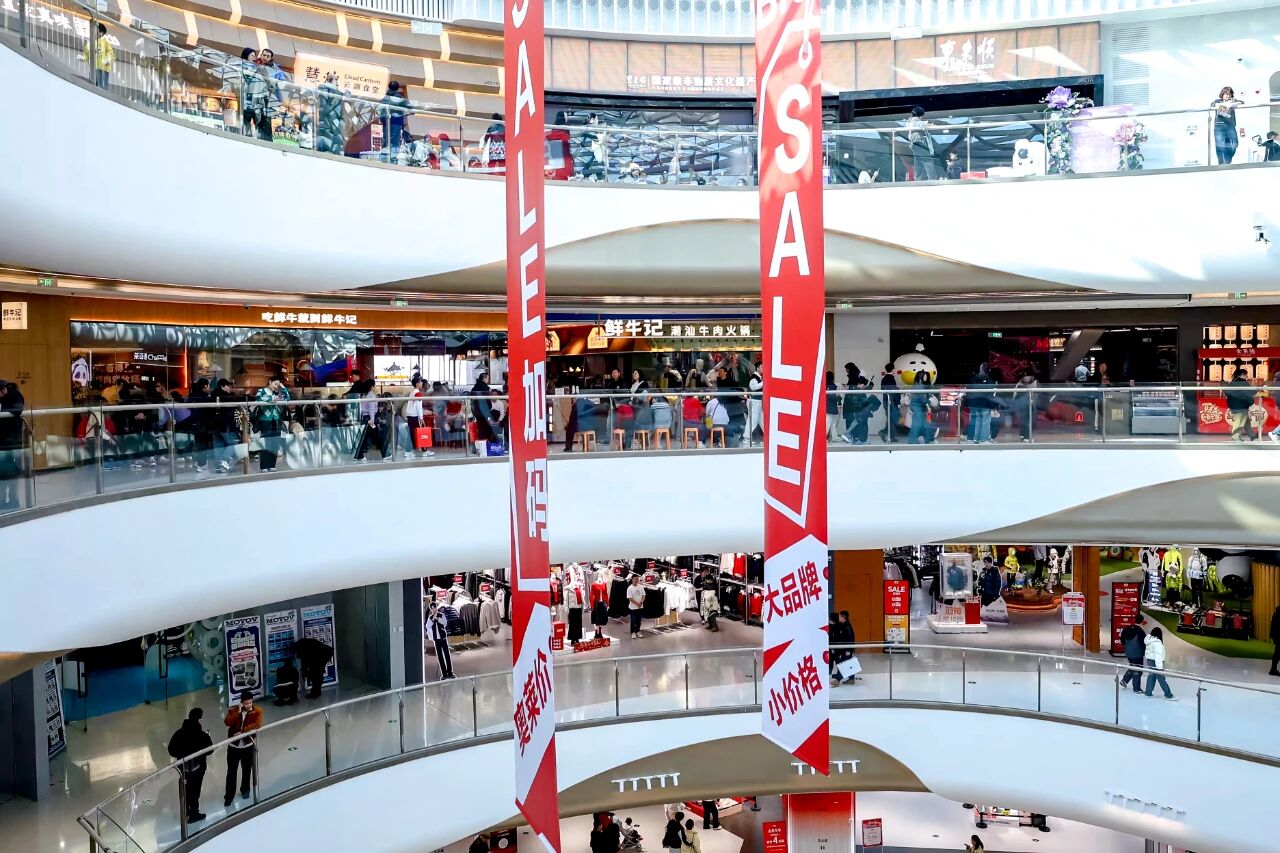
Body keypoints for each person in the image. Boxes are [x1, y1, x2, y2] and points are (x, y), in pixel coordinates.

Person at [167, 708, 213, 823]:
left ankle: (186, 811)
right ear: (199, 720)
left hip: (183, 768)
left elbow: (171, 750)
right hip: (198, 768)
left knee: (186, 789)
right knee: (195, 791)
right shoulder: (202, 735)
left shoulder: (179, 733)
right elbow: (210, 750)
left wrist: (182, 753)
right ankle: (194, 813)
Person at [223, 690, 263, 806]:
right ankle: (229, 796)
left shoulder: (257, 711)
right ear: (241, 703)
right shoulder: (233, 710)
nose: (248, 705)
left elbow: (257, 724)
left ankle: (245, 790)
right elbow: (227, 722)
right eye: (246, 703)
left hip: (247, 746)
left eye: (250, 702)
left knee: (247, 770)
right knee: (231, 772)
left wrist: (243, 731)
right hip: (233, 747)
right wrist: (238, 712)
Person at [0, 381, 27, 513]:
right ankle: (6, 500)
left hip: (10, 442)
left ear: (3, 390)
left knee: (9, 471)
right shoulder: (7, 397)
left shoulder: (15, 396)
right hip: (6, 441)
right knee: (5, 471)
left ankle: (12, 500)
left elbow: (17, 409)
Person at [253, 376, 289, 472]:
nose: (276, 386)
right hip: (265, 420)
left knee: (275, 443)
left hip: (276, 420)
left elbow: (287, 398)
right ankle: (264, 466)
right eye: (275, 384)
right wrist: (272, 398)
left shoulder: (276, 392)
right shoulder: (262, 391)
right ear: (270, 382)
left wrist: (283, 387)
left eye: (278, 385)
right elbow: (258, 399)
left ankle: (272, 465)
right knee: (265, 443)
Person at [239, 48, 274, 142]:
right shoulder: (249, 66)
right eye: (264, 55)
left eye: (268, 56)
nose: (265, 57)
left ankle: (265, 142)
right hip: (248, 99)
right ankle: (245, 139)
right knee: (246, 121)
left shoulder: (271, 69)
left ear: (271, 58)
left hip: (262, 100)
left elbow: (272, 84)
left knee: (262, 122)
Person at [841, 376, 879, 445]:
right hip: (858, 411)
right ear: (860, 384)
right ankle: (858, 438)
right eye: (864, 385)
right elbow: (857, 401)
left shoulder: (857, 390)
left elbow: (867, 391)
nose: (864, 387)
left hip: (859, 411)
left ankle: (857, 437)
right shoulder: (857, 391)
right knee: (859, 424)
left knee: (856, 424)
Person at [1211, 86, 1244, 165]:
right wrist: (1222, 105)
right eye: (1226, 94)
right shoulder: (1217, 101)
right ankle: (1222, 164)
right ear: (1222, 94)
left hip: (1230, 126)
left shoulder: (1233, 101)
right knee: (1220, 146)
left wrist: (1232, 103)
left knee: (1234, 144)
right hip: (1219, 126)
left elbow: (1242, 102)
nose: (1228, 96)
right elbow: (1212, 105)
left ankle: (1227, 160)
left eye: (1229, 94)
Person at [965, 363, 996, 444]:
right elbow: (990, 393)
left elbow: (968, 389)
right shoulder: (989, 379)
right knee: (985, 421)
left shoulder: (973, 378)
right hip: (985, 403)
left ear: (980, 368)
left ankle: (976, 438)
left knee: (978, 420)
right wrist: (993, 405)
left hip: (975, 402)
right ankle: (984, 439)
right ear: (989, 370)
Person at [906, 106, 939, 180]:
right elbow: (917, 124)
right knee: (927, 161)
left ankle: (919, 180)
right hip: (919, 143)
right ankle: (932, 180)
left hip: (915, 144)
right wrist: (928, 124)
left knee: (918, 163)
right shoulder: (915, 119)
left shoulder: (911, 120)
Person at [316, 71, 345, 154]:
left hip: (321, 129)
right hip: (332, 130)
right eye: (336, 80)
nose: (338, 83)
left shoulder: (319, 91)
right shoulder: (338, 95)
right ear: (332, 80)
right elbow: (341, 114)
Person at [380, 81, 410, 162]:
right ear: (397, 88)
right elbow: (411, 108)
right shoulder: (401, 99)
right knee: (395, 140)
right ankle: (393, 158)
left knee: (386, 139)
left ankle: (384, 157)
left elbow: (380, 109)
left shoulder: (385, 98)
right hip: (396, 121)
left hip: (386, 121)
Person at [426, 600, 455, 679]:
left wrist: (438, 619)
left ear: (436, 608)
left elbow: (445, 623)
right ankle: (444, 674)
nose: (433, 609)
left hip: (443, 638)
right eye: (432, 608)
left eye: (434, 608)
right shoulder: (430, 618)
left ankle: (450, 672)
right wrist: (433, 619)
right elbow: (428, 626)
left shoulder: (441, 615)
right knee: (440, 656)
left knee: (447, 655)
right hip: (436, 639)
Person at [1143, 626, 1175, 700]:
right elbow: (1158, 656)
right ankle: (1168, 694)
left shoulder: (1149, 640)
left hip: (1150, 660)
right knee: (1161, 678)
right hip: (1156, 662)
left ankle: (1148, 692)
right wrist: (1159, 668)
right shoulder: (1157, 643)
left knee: (1151, 676)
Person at [1224, 367, 1255, 441]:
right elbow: (1251, 392)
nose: (1247, 376)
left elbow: (1227, 393)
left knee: (1242, 420)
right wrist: (1256, 388)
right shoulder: (1244, 383)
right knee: (1239, 421)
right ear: (1242, 374)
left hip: (1233, 405)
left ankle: (1251, 435)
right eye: (1246, 374)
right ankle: (1235, 437)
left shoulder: (1232, 382)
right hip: (1242, 405)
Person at [82, 22, 115, 89]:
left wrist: (108, 59)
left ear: (101, 33)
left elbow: (111, 53)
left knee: (102, 86)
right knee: (92, 85)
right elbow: (86, 55)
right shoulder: (89, 43)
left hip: (103, 68)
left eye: (95, 30)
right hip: (93, 68)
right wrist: (83, 58)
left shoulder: (105, 42)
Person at [1119, 616, 1147, 693]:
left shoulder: (1126, 629)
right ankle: (1136, 688)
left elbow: (1122, 640)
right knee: (1138, 670)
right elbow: (1143, 643)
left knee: (1132, 666)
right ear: (1142, 621)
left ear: (1134, 620)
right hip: (1137, 653)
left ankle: (1124, 681)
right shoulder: (1140, 631)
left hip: (1128, 652)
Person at [830, 610, 856, 684]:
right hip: (845, 648)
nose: (838, 618)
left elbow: (850, 638)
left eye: (839, 616)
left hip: (847, 649)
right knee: (848, 663)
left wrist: (848, 650)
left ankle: (837, 679)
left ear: (843, 617)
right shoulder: (843, 625)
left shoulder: (847, 626)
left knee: (844, 664)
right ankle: (851, 679)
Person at [878, 364, 900, 443]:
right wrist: (898, 390)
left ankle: (891, 436)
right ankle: (884, 432)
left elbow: (883, 389)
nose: (895, 370)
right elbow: (893, 391)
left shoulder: (884, 378)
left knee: (891, 418)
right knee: (892, 418)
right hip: (890, 401)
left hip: (886, 400)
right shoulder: (891, 378)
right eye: (894, 368)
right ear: (892, 369)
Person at [626, 574, 647, 639]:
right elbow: (630, 598)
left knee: (639, 620)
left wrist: (641, 602)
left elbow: (644, 595)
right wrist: (637, 603)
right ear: (632, 579)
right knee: (633, 620)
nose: (636, 580)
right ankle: (633, 632)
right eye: (635, 579)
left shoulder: (641, 587)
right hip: (633, 608)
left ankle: (638, 631)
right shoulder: (630, 588)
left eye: (637, 579)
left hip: (640, 607)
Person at [824, 370, 842, 440]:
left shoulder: (826, 385)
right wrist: (839, 398)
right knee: (828, 423)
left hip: (829, 407)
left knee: (832, 423)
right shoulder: (831, 386)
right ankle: (823, 438)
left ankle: (834, 437)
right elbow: (832, 397)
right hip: (830, 408)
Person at [1270, 605, 1280, 677]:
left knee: (1277, 653)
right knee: (1277, 653)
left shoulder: (1276, 613)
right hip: (1278, 636)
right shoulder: (1278, 614)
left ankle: (1273, 669)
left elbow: (1273, 625)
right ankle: (1273, 669)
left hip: (1277, 636)